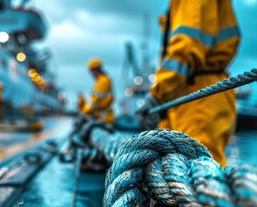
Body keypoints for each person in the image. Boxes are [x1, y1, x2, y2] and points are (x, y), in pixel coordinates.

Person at [137, 0, 240, 167]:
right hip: (195, 94)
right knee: (186, 169)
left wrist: (157, 96)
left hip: (197, 97)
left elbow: (185, 49)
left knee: (199, 170)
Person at [83, 59, 115, 124]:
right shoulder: (101, 80)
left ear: (95, 70)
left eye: (92, 72)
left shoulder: (103, 81)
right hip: (101, 116)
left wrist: (85, 111)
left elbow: (96, 100)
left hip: (104, 118)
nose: (91, 74)